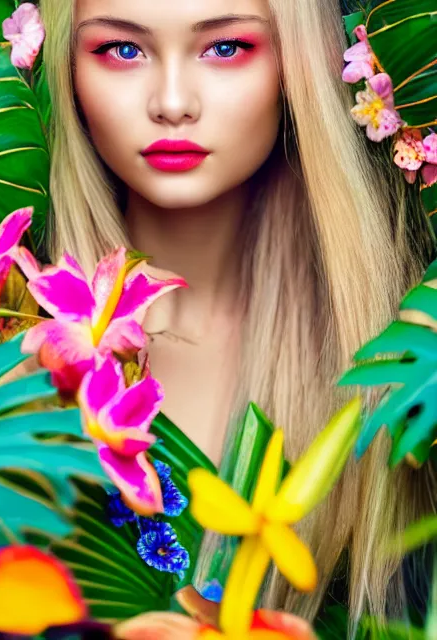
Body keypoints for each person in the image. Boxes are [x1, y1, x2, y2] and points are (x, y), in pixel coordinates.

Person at [39, 0, 436, 627]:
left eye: (225, 48)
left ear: (296, 66)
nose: (172, 103)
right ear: (65, 72)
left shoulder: (404, 352)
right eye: (122, 49)